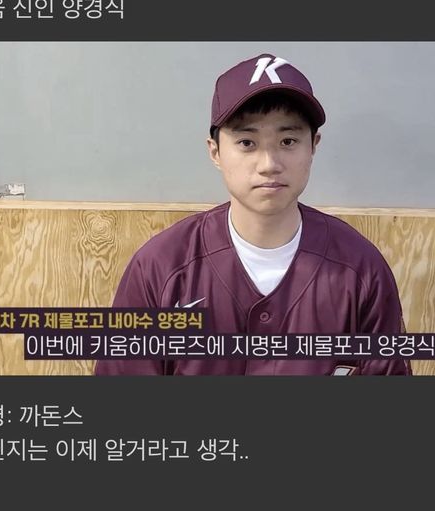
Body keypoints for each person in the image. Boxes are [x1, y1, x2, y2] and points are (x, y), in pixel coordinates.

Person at [95, 53, 411, 375]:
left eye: (288, 141)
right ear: (215, 151)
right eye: (247, 143)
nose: (269, 164)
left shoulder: (361, 269)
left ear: (313, 146)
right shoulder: (161, 267)